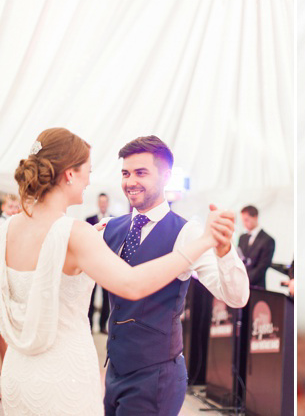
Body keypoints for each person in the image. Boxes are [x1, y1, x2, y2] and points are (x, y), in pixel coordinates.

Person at [0, 128, 233, 416]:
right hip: (65, 375)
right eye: (88, 170)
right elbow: (132, 285)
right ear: (70, 174)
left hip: (16, 372)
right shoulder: (76, 234)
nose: (89, 179)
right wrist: (203, 242)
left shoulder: (7, 228)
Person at [102, 135, 249, 416]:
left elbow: (236, 297)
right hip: (114, 369)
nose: (130, 181)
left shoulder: (188, 232)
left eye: (141, 172)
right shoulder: (111, 228)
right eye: (125, 173)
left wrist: (224, 249)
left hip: (155, 376)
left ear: (166, 176)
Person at [86, 191, 112, 332]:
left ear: (107, 203)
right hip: (92, 263)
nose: (103, 204)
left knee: (107, 297)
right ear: (98, 203)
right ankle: (89, 324)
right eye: (100, 202)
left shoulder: (113, 220)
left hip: (107, 263)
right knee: (90, 293)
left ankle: (103, 326)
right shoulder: (89, 219)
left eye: (105, 202)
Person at [238, 204, 276, 289]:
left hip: (257, 288)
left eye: (246, 220)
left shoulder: (268, 240)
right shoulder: (242, 237)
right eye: (243, 221)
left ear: (255, 217)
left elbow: (262, 266)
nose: (244, 223)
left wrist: (245, 280)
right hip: (240, 287)